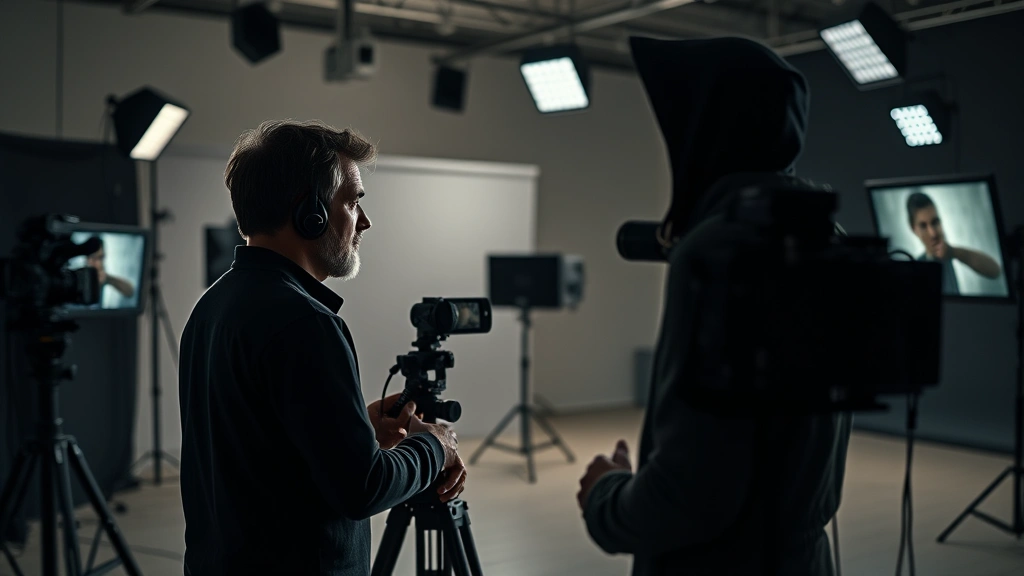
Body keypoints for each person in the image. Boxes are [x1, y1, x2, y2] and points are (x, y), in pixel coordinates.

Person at [576, 37, 851, 576]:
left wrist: (606, 495)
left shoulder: (720, 252)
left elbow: (692, 493)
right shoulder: (824, 239)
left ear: (702, 128)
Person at [178, 120, 466, 576]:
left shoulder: (213, 306)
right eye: (352, 201)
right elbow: (363, 490)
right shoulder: (306, 323)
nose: (365, 221)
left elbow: (256, 447)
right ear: (309, 211)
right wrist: (435, 447)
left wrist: (357, 427)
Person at [906, 191, 1002, 295]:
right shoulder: (913, 272)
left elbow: (995, 271)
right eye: (923, 226)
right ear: (913, 229)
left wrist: (953, 252)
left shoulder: (949, 253)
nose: (933, 233)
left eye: (935, 222)